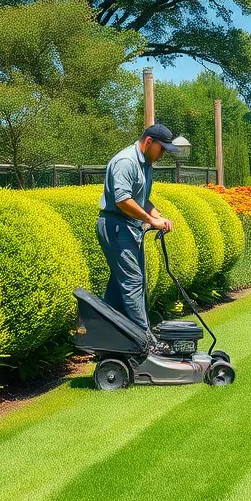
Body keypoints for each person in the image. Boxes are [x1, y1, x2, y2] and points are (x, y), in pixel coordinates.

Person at [97, 124, 177, 344]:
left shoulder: (146, 164)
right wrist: (150, 220)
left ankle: (106, 338)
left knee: (119, 285)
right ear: (149, 142)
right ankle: (145, 342)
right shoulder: (127, 161)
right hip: (116, 225)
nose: (163, 155)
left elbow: (141, 200)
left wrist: (157, 216)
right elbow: (123, 200)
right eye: (162, 149)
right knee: (133, 283)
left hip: (129, 227)